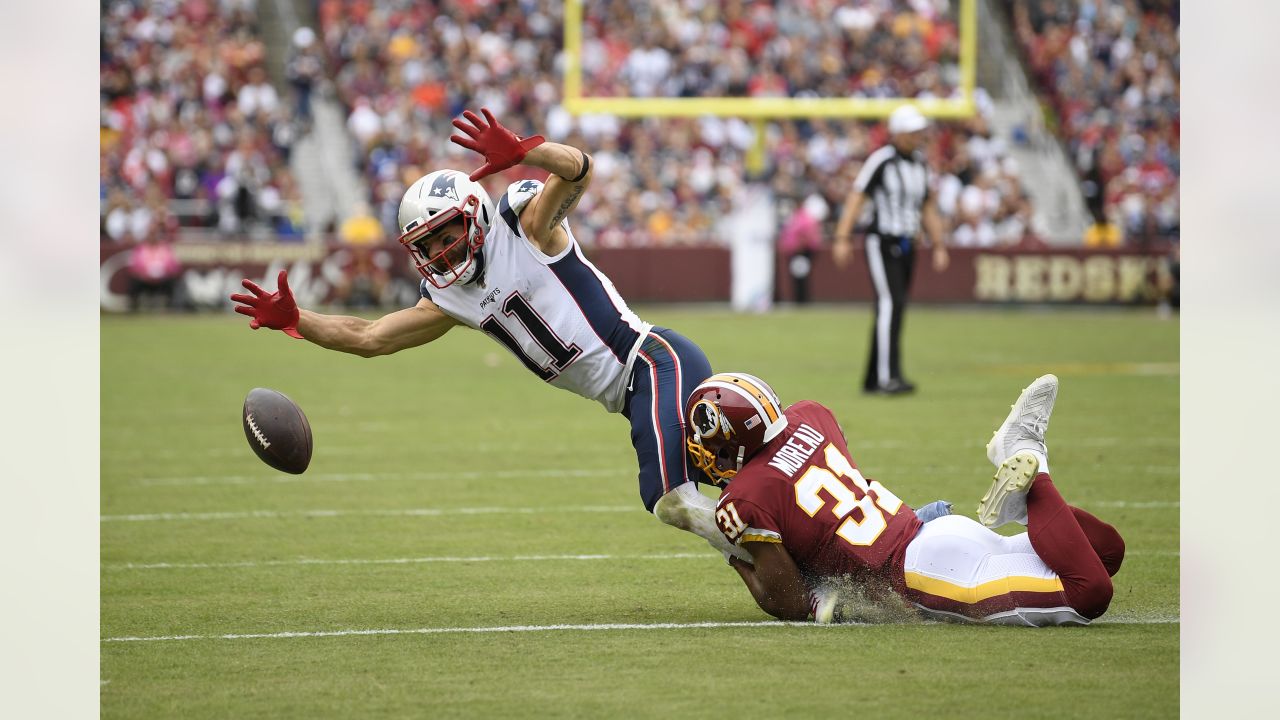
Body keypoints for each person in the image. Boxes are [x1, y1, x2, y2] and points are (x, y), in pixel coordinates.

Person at [229, 107, 744, 559]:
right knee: (723, 485)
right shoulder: (451, 298)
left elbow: (580, 172)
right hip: (630, 395)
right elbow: (370, 337)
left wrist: (529, 152)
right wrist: (299, 321)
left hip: (651, 362)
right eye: (426, 246)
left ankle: (778, 547)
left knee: (671, 500)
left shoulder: (526, 226)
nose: (438, 254)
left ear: (473, 216)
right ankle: (782, 562)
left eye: (444, 235)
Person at [686, 372, 1125, 626]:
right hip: (933, 528)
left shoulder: (746, 498)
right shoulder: (811, 415)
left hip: (924, 573)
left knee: (1089, 594)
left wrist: (728, 548)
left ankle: (1029, 459)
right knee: (1107, 552)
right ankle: (1021, 505)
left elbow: (787, 600)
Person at [832, 105, 950, 396]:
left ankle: (875, 377)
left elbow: (927, 206)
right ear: (897, 133)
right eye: (911, 131)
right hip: (882, 241)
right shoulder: (881, 161)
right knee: (890, 304)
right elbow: (857, 197)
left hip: (908, 242)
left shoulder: (920, 164)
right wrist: (842, 236)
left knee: (894, 306)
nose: (917, 136)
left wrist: (938, 244)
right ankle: (888, 377)